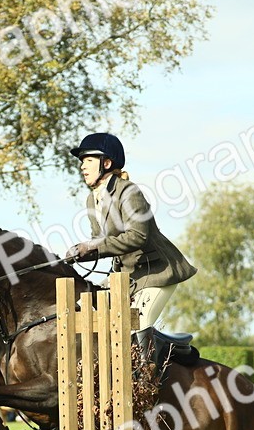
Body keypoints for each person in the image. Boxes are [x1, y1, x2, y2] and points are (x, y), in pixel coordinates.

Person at [65, 132, 197, 354]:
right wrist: (81, 251)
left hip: (156, 273)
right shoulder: (92, 199)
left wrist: (93, 247)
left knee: (135, 327)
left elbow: (137, 235)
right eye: (82, 161)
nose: (82, 166)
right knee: (90, 312)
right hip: (126, 276)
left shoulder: (128, 192)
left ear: (106, 163)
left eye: (88, 160)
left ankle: (150, 372)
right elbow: (101, 241)